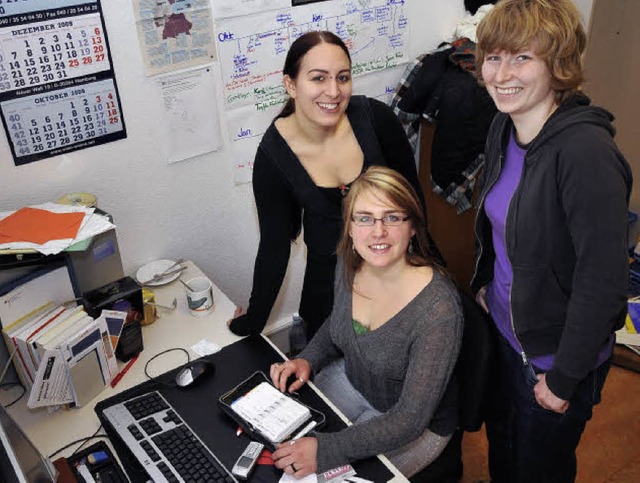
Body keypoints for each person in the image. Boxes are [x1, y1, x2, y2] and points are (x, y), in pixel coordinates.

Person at [472, 1, 633, 481]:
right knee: (503, 451)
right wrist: (485, 286)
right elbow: (503, 226)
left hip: (551, 359)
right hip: (505, 332)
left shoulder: (586, 155)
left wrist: (563, 379)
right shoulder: (505, 125)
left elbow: (603, 283)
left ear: (558, 64)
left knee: (539, 469)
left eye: (522, 57)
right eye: (493, 57)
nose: (501, 74)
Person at [228, 31, 428, 339]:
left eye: (343, 77)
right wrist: (251, 324)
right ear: (291, 85)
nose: (334, 91)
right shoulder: (274, 157)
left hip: (393, 278)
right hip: (328, 293)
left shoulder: (377, 119)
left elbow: (415, 204)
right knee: (325, 375)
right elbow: (274, 246)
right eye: (319, 78)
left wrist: (435, 273)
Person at [268, 166, 463, 478]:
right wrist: (308, 358)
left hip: (413, 425)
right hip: (352, 381)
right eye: (365, 217)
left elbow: (410, 419)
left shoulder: (438, 309)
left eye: (392, 217)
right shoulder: (351, 262)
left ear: (412, 226)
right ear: (349, 226)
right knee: (277, 436)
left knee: (315, 475)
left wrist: (327, 450)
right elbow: (340, 322)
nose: (378, 232)